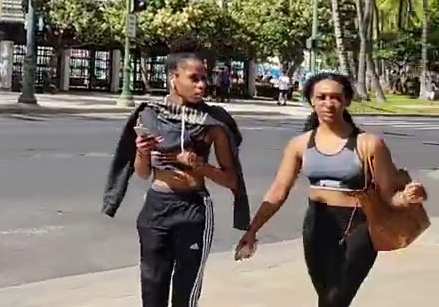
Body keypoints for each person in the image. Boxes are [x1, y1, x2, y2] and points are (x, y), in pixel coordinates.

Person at [235, 72, 428, 307]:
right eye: (322, 97)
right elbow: (278, 190)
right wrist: (252, 230)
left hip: (359, 226)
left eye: (335, 97)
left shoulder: (368, 144)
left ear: (346, 101)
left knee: (335, 301)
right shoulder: (300, 144)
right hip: (317, 226)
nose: (328, 103)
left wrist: (409, 198)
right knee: (326, 297)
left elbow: (390, 198)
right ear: (311, 101)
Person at [102, 51, 249, 307]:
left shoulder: (212, 122)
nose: (202, 85)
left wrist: (198, 165)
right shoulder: (149, 115)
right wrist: (142, 151)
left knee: (186, 292)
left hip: (193, 209)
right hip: (156, 207)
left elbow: (231, 181)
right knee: (152, 286)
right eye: (194, 78)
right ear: (173, 78)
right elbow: (143, 172)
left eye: (204, 78)